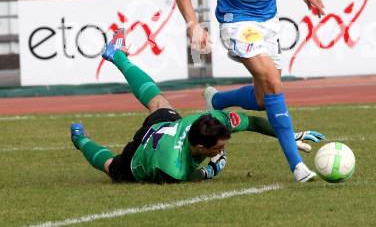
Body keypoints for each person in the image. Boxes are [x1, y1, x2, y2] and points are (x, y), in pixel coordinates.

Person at [172, 0, 325, 182]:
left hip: (269, 22)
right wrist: (193, 24)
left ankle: (216, 102)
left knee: (261, 99)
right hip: (237, 24)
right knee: (273, 80)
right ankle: (297, 166)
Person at [70, 29, 325, 184]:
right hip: (144, 154)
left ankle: (116, 55)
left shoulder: (211, 122)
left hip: (166, 127)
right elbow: (189, 177)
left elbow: (255, 122)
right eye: (219, 147)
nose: (223, 147)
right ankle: (80, 139)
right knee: (112, 168)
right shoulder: (172, 168)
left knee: (158, 101)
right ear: (201, 147)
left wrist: (290, 134)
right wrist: (212, 169)